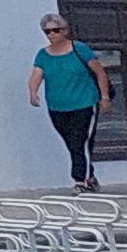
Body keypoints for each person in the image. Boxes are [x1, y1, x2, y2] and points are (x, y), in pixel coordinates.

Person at [29, 17, 105, 187]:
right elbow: (36, 75)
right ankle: (89, 176)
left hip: (84, 102)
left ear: (64, 30)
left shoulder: (79, 49)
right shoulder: (43, 54)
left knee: (80, 140)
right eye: (47, 31)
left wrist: (104, 97)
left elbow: (100, 73)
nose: (52, 35)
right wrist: (33, 93)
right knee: (72, 142)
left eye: (55, 30)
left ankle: (80, 179)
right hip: (58, 106)